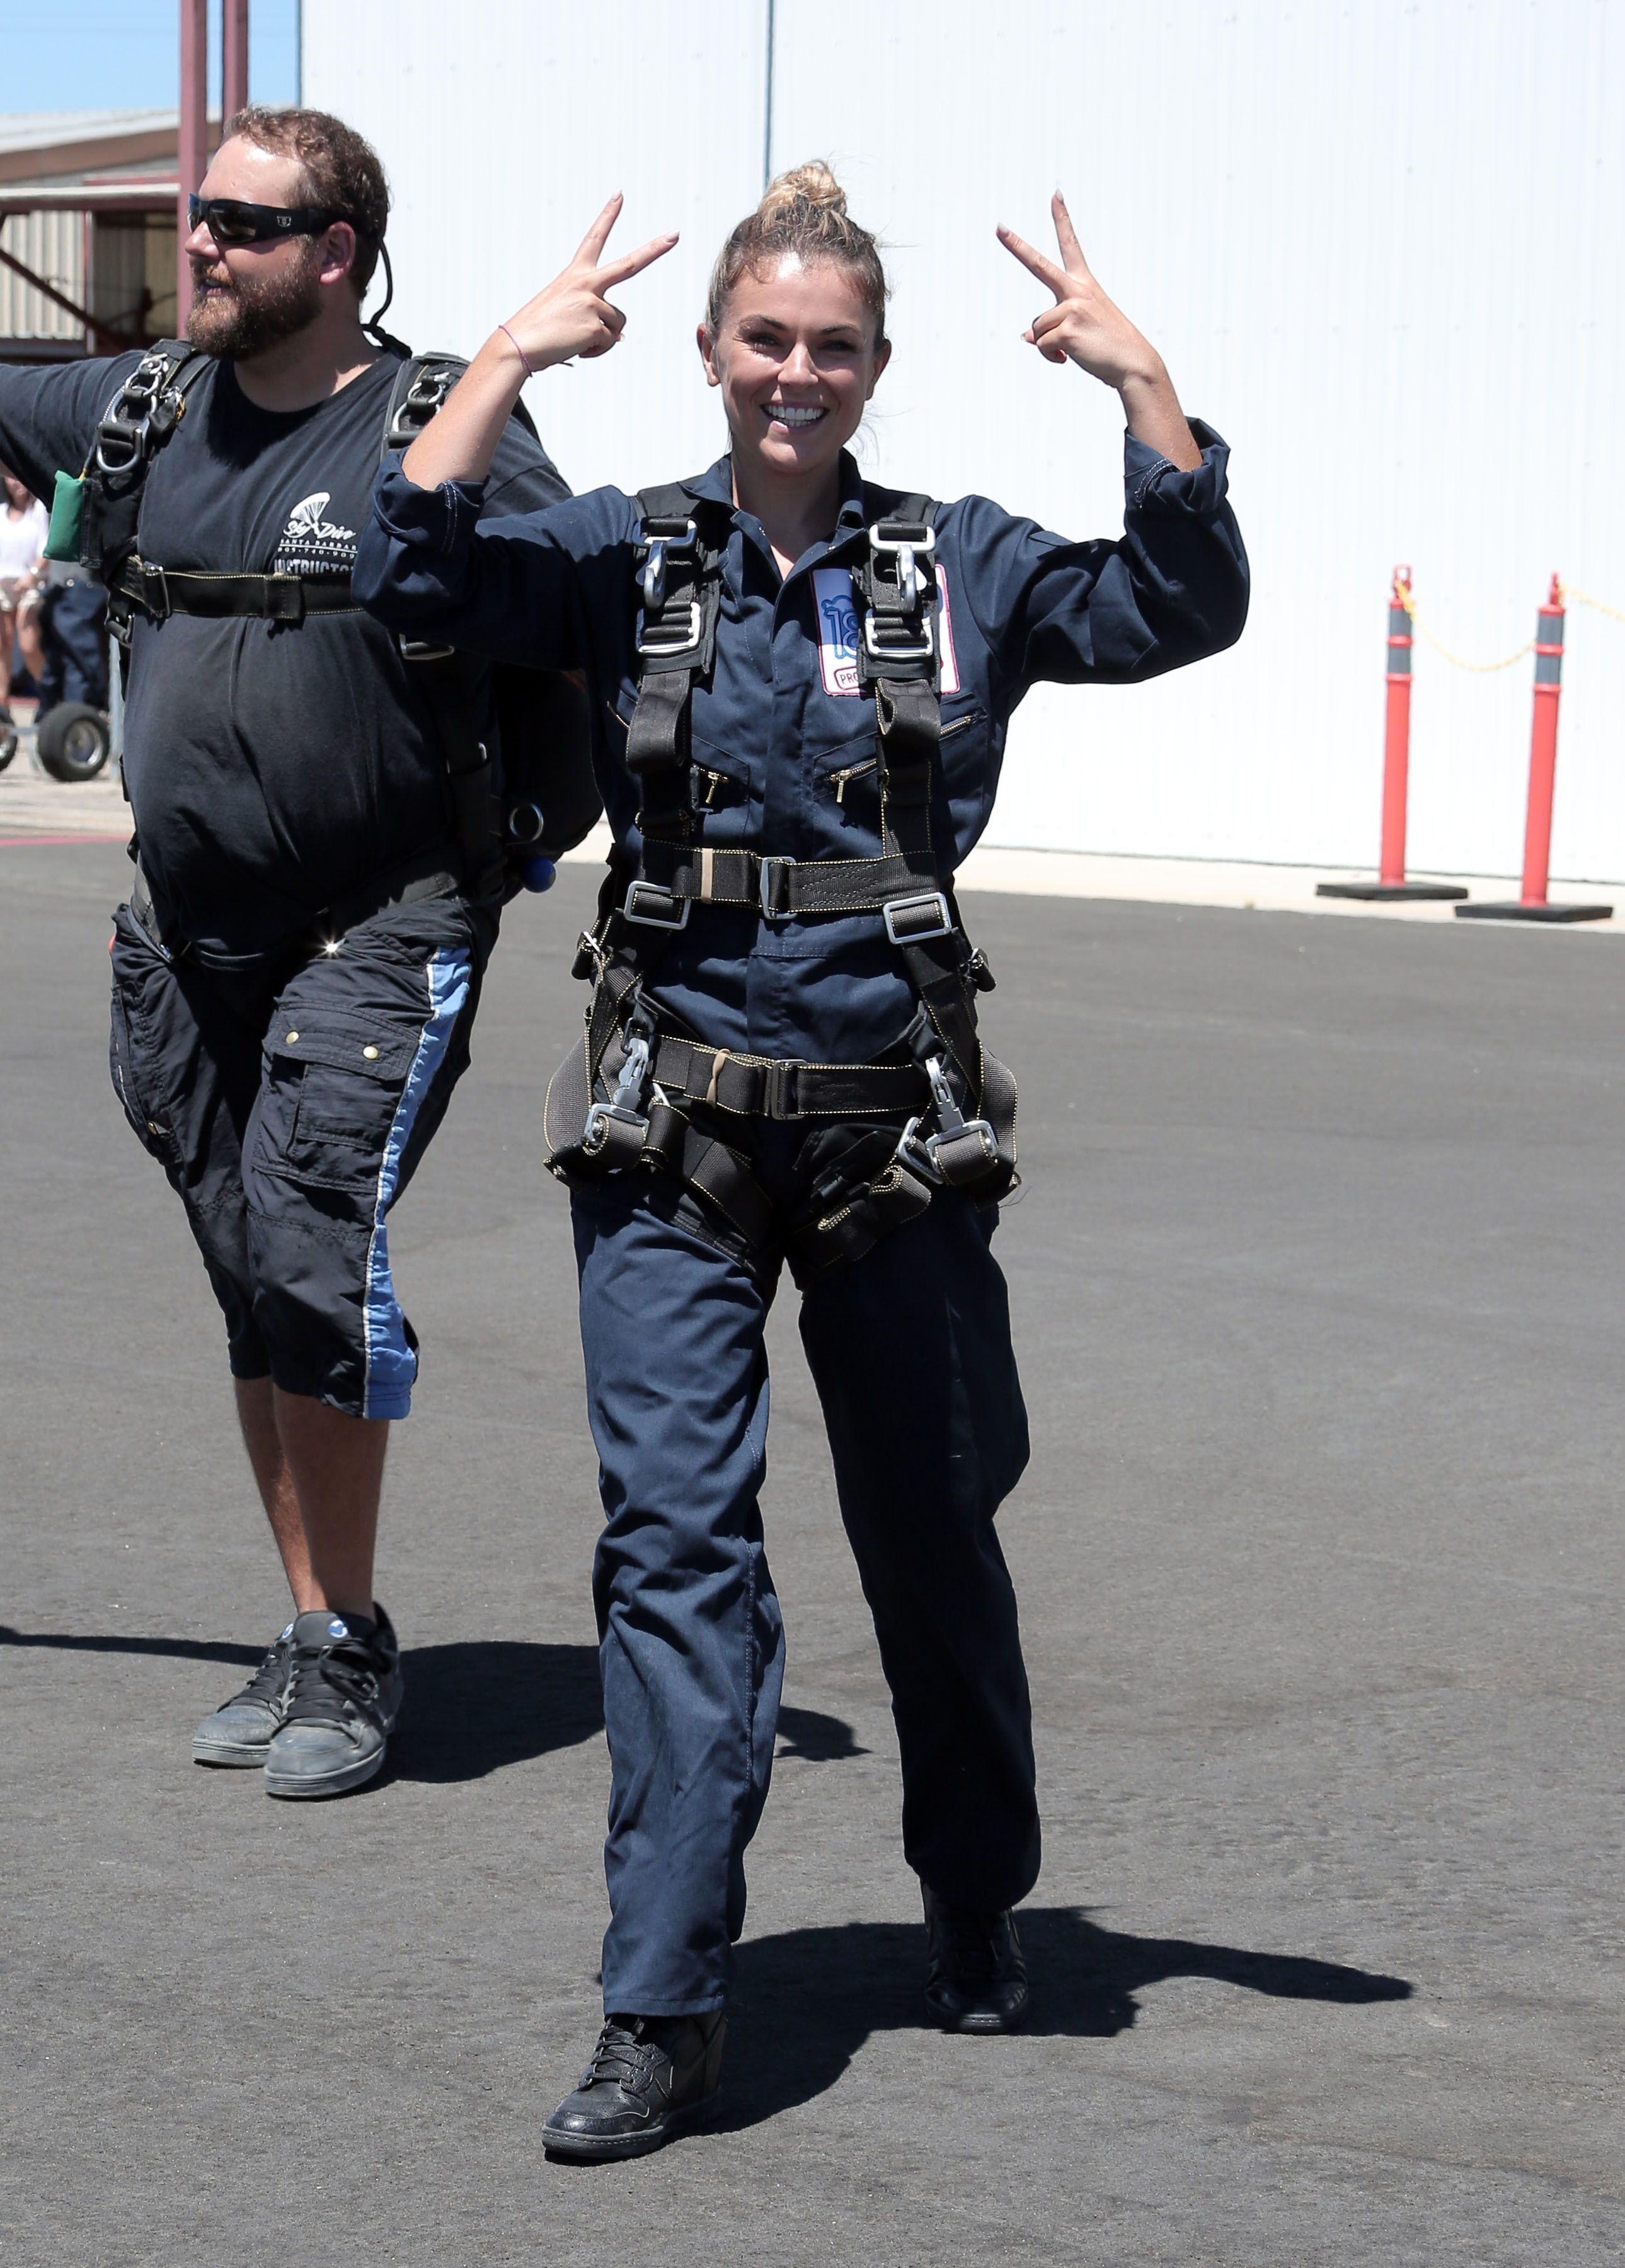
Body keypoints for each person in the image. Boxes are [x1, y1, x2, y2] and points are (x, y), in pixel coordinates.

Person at [355, 163, 1248, 2154]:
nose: (794, 373)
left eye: (830, 347)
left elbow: (1182, 604)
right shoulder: (614, 552)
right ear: (706, 352)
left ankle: (970, 1894)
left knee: (931, 1534)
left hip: (888, 1140)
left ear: (873, 369)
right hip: (667, 1134)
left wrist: (1147, 393)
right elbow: (408, 578)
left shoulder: (965, 562)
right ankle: (660, 2005)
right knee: (675, 1559)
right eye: (763, 339)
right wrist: (498, 357)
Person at [0, 105, 568, 1798]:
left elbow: (587, 626)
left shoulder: (434, 426)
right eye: (196, 220)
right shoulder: (143, 411)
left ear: (337, 252)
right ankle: (315, 1625)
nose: (202, 247)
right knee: (257, 1284)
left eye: (242, 226)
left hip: (377, 927)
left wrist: (565, 835)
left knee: (317, 1257)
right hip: (186, 941)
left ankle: (345, 1642)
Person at [0, 466, 48, 716]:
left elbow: (45, 553)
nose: (16, 483)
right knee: (2, 646)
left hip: (30, 586)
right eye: (11, 478)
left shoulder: (38, 510)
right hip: (2, 588)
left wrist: (31, 578)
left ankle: (49, 695)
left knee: (28, 644)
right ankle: (2, 709)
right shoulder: (1, 514)